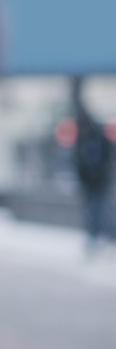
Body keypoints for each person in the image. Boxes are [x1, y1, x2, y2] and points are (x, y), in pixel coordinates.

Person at [72, 80, 114, 255]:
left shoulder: (96, 136)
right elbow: (78, 160)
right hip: (91, 182)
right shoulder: (83, 138)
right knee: (94, 209)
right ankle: (95, 237)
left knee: (99, 209)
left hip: (98, 181)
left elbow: (108, 156)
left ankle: (100, 237)